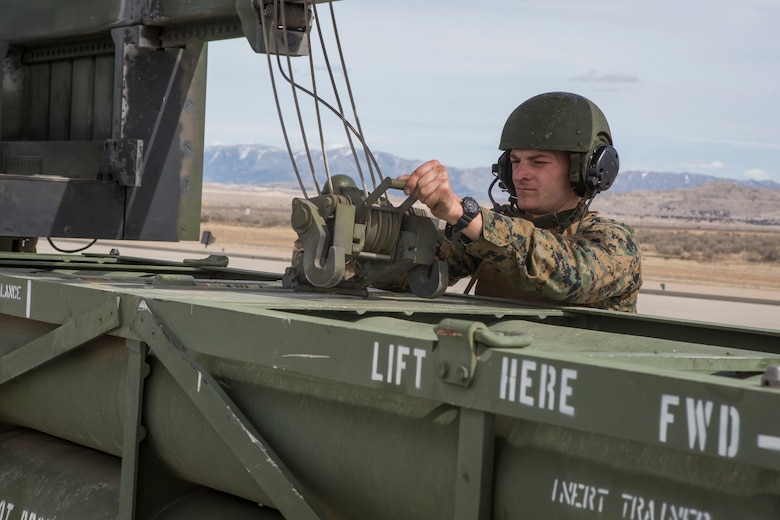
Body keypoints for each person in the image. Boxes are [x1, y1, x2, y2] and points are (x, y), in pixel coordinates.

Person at [399, 91, 642, 312]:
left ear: (583, 172)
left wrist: (461, 213)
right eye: (515, 162)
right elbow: (410, 272)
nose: (520, 174)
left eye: (539, 162)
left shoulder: (617, 244)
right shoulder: (495, 230)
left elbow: (565, 273)